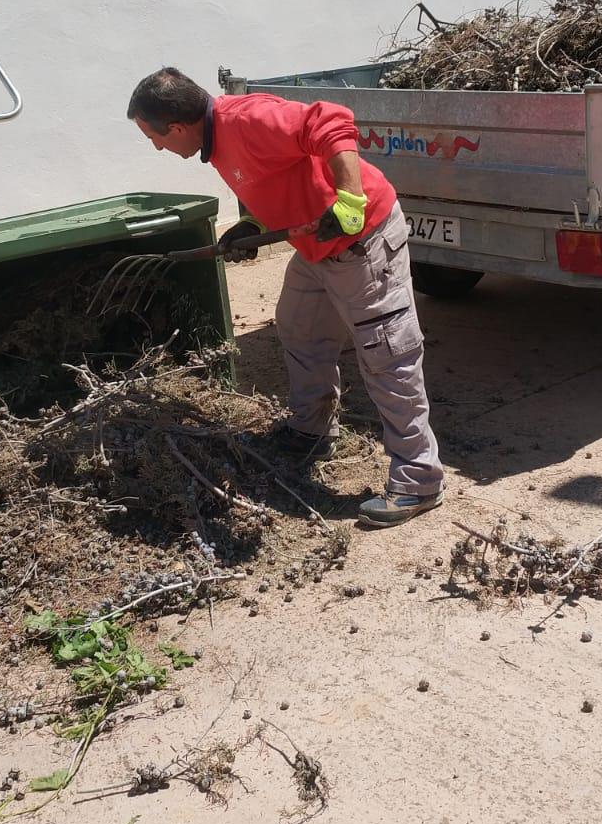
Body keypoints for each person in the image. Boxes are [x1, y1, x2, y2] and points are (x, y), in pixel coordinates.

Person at [127, 67, 444, 527]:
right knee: (299, 326)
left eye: (154, 138)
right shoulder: (216, 141)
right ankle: (312, 431)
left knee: (386, 353)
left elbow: (331, 121)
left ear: (177, 127)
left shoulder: (247, 119)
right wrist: (254, 227)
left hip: (362, 240)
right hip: (316, 246)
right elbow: (280, 176)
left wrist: (350, 201)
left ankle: (419, 480)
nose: (158, 147)